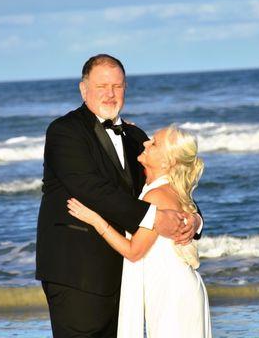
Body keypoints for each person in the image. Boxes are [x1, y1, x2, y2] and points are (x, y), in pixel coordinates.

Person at [35, 54, 203, 337]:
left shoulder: (136, 137)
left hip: (128, 274)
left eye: (118, 86)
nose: (110, 94)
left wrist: (194, 221)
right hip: (77, 271)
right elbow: (91, 189)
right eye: (102, 86)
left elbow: (168, 186)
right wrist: (154, 219)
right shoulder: (64, 132)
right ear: (83, 89)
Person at [68, 126, 212, 337]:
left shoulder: (156, 195)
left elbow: (134, 251)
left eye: (154, 143)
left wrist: (96, 221)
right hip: (173, 290)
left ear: (168, 161)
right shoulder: (167, 188)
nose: (145, 143)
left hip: (172, 294)